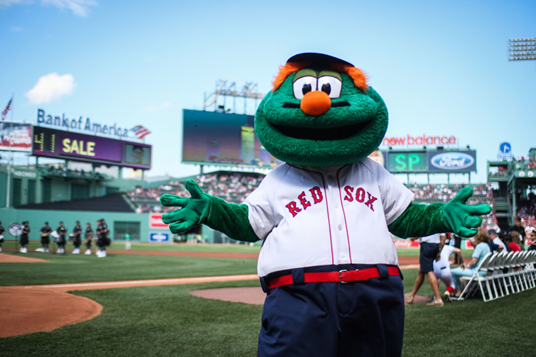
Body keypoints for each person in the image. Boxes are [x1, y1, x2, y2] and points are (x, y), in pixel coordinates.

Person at [407, 233, 446, 307]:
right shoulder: (439, 220)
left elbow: (419, 233)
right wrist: (439, 251)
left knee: (428, 271)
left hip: (427, 246)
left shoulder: (426, 221)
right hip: (436, 246)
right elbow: (443, 238)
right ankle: (412, 295)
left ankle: (438, 298)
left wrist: (413, 237)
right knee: (422, 270)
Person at [451, 229, 491, 298]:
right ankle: (460, 291)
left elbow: (474, 261)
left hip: (476, 272)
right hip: (483, 272)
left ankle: (457, 292)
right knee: (457, 271)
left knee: (452, 271)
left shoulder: (479, 246)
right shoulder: (486, 246)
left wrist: (467, 266)